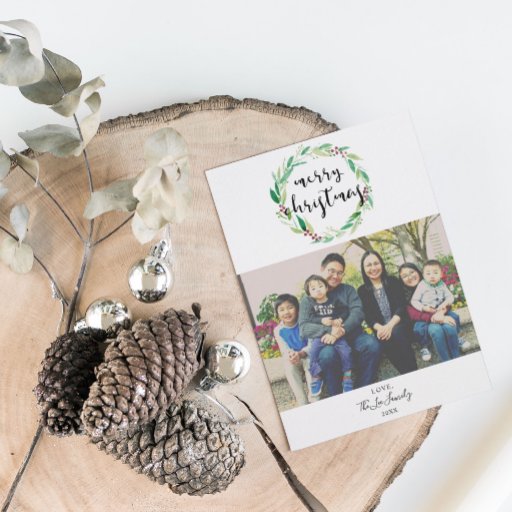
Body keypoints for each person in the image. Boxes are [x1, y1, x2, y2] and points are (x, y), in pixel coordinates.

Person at [299, 253, 382, 396]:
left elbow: (358, 312)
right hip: (326, 341)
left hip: (352, 335)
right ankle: (336, 396)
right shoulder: (308, 299)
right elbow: (304, 328)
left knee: (372, 345)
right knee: (327, 356)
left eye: (339, 273)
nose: (335, 276)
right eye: (331, 271)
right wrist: (330, 330)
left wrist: (341, 330)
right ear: (322, 270)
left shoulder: (347, 290)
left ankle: (361, 391)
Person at [357, 251, 417, 375]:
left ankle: (413, 372)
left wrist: (389, 326)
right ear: (363, 269)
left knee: (396, 332)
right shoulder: (362, 290)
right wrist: (381, 328)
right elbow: (367, 315)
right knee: (384, 338)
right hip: (380, 328)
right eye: (369, 265)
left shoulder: (393, 281)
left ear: (381, 264)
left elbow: (401, 306)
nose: (373, 268)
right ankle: (406, 373)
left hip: (400, 323)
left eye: (376, 263)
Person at [398, 262, 470, 362]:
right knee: (430, 330)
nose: (410, 277)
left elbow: (447, 298)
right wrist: (436, 316)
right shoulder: (404, 294)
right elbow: (414, 314)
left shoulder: (437, 283)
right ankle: (425, 346)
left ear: (419, 272)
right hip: (424, 321)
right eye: (405, 276)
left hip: (440, 313)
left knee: (453, 319)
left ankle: (457, 341)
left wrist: (443, 309)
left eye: (412, 272)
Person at [301, 274, 353, 396]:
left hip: (337, 334)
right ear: (309, 293)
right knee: (313, 351)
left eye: (320, 286)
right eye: (313, 288)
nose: (318, 290)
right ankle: (316, 375)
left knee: (346, 351)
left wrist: (340, 319)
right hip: (320, 336)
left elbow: (345, 310)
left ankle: (347, 376)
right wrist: (321, 320)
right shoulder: (311, 304)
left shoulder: (334, 300)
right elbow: (309, 319)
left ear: (326, 287)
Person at [273, 294, 314, 406]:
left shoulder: (304, 323)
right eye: (282, 310)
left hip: (308, 354)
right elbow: (284, 349)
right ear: (277, 313)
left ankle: (314, 397)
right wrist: (291, 356)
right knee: (289, 367)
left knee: (310, 363)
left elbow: (312, 344)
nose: (286, 312)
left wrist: (301, 353)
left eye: (290, 307)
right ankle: (302, 401)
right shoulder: (278, 330)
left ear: (297, 309)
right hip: (294, 357)